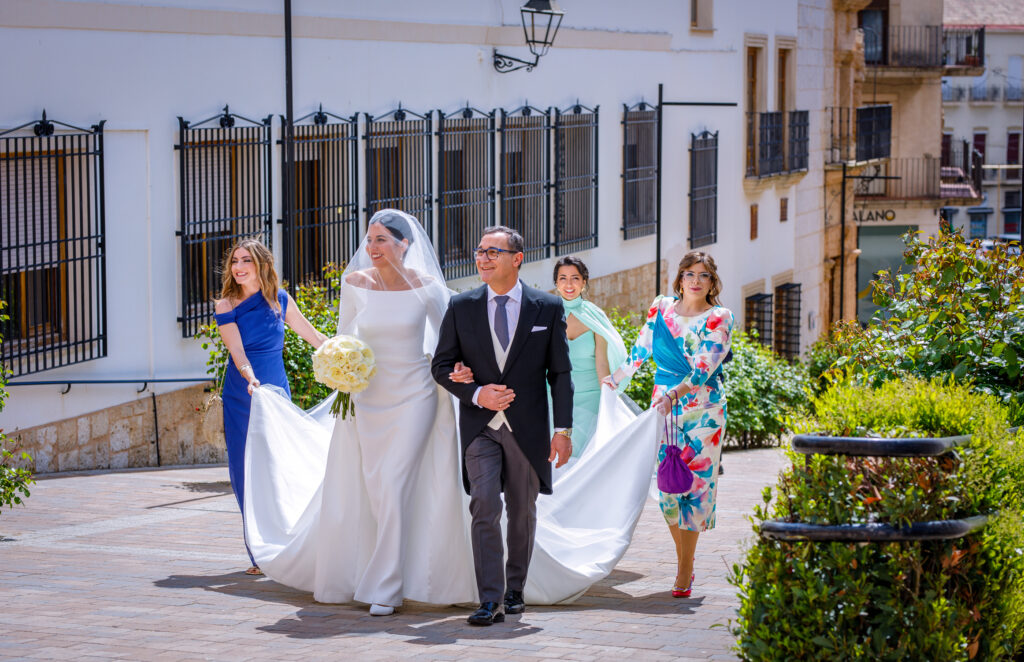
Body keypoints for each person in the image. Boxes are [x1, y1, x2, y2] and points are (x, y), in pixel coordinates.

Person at [243, 209, 478, 616]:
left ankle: (386, 587)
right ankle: (368, 572)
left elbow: (449, 344)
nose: (372, 248)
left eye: (382, 240)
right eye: (369, 240)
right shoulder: (354, 284)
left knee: (393, 482)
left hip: (416, 396)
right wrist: (338, 366)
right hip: (367, 398)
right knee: (373, 486)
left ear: (404, 245)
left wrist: (462, 371)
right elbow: (343, 337)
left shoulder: (428, 288)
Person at [431, 225, 574, 626]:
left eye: (493, 252)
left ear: (517, 259)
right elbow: (441, 367)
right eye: (480, 251)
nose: (483, 258)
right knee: (485, 506)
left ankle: (515, 589)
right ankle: (489, 599)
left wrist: (563, 431)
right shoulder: (461, 306)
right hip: (480, 427)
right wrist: (477, 393)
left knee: (522, 512)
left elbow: (560, 374)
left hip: (527, 430)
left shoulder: (546, 307)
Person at [603, 250, 734, 599]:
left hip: (703, 412)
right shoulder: (661, 308)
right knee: (667, 491)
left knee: (694, 488)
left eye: (703, 275)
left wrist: (675, 394)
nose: (695, 280)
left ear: (712, 282)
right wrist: (616, 379)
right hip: (663, 411)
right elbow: (641, 348)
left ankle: (684, 568)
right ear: (679, 279)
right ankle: (684, 560)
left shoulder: (719, 317)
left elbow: (705, 367)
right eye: (689, 273)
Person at [213, 237, 326, 575]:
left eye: (245, 260)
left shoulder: (280, 299)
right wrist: (250, 379)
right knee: (247, 468)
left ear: (261, 264)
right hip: (245, 393)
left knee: (280, 467)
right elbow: (237, 352)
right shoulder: (225, 305)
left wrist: (344, 353)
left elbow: (315, 337)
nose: (238, 267)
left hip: (277, 390)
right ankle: (258, 553)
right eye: (235, 261)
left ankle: (287, 544)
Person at [551, 256, 627, 456]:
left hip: (591, 398)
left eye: (575, 278)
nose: (569, 284)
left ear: (584, 282)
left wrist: (607, 401)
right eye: (563, 278)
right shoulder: (547, 314)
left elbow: (602, 363)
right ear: (556, 283)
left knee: (587, 457)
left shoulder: (595, 316)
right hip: (556, 399)